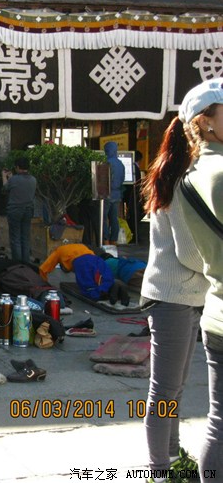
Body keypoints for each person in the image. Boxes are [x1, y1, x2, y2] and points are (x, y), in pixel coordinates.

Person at [137, 104, 209, 481]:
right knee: (165, 390)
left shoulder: (175, 179)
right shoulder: (182, 184)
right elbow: (190, 253)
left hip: (183, 296)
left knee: (173, 389)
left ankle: (171, 456)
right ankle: (159, 469)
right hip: (172, 297)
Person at [174, 77, 223, 481]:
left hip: (215, 310)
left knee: (218, 423)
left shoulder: (192, 174)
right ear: (206, 122)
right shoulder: (218, 172)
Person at [38, 243, 129, 305]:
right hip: (96, 259)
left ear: (63, 265)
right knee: (104, 278)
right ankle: (115, 288)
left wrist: (44, 285)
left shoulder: (58, 251)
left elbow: (43, 269)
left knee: (89, 288)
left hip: (82, 262)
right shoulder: (79, 246)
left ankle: (103, 293)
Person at [1, 156, 37, 263]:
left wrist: (4, 177)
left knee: (15, 238)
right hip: (28, 210)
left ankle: (17, 263)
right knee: (25, 237)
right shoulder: (33, 179)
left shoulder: (13, 179)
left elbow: (5, 189)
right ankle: (25, 263)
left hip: (15, 210)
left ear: (17, 167)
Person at [103, 141, 125, 245]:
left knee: (103, 218)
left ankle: (105, 240)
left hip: (106, 194)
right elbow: (122, 179)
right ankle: (114, 240)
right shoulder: (120, 164)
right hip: (117, 194)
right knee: (114, 219)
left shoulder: (106, 163)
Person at [124, 150, 144, 238]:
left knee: (133, 214)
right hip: (132, 194)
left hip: (129, 193)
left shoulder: (131, 166)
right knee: (134, 214)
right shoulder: (135, 167)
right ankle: (134, 234)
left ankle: (133, 233)